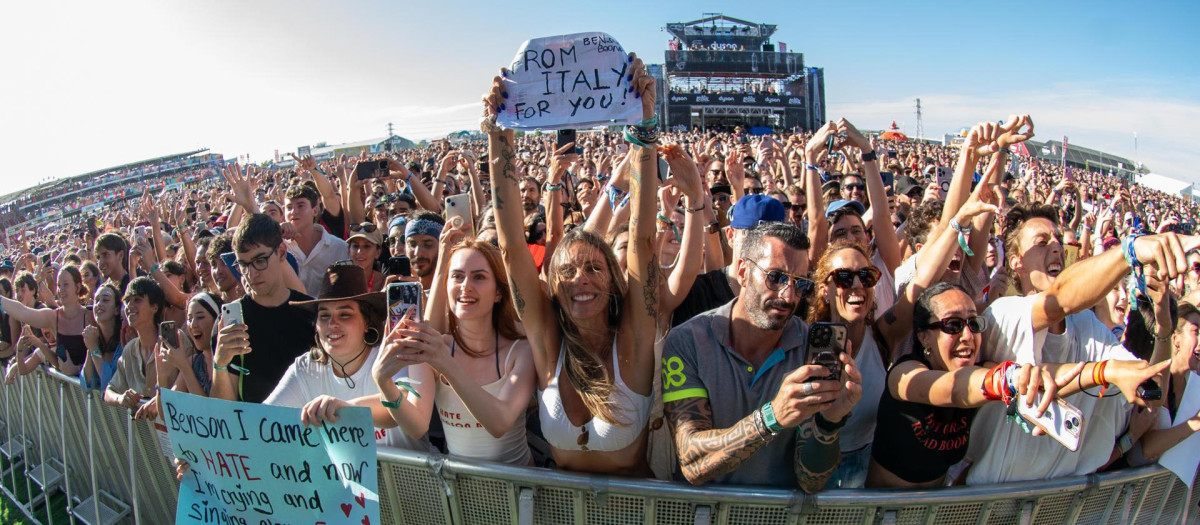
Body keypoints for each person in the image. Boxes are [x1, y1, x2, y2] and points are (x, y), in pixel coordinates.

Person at [485, 54, 659, 475]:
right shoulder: (549, 345)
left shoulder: (633, 340)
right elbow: (510, 248)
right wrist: (498, 134)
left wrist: (644, 127)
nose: (580, 278)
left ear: (615, 282)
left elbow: (642, 238)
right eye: (567, 271)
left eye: (595, 269)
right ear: (553, 286)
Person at [965, 206, 1198, 484]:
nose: (1056, 248)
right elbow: (1060, 298)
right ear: (1016, 262)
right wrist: (1131, 250)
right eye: (1041, 243)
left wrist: (1163, 324)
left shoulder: (1088, 327)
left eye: (1058, 242)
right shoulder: (1004, 313)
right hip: (991, 499)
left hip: (1062, 504)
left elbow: (1153, 392)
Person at [868, 282, 1166, 488]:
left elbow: (1043, 375)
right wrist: (1009, 378)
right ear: (923, 337)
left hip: (933, 510)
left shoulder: (981, 370)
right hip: (881, 514)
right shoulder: (905, 374)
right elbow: (954, 389)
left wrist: (1106, 371)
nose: (967, 335)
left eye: (974, 324)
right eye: (952, 325)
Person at [663, 222, 862, 490]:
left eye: (800, 283)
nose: (788, 296)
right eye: (776, 277)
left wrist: (829, 422)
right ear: (743, 272)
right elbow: (692, 462)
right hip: (704, 512)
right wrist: (772, 417)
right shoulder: (688, 341)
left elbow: (811, 482)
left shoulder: (808, 349)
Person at [376, 229, 536, 464]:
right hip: (461, 491)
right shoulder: (435, 350)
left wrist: (445, 363)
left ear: (499, 293)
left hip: (518, 490)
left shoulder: (520, 350)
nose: (465, 286)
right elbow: (416, 426)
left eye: (479, 277)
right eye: (457, 276)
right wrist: (384, 384)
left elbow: (499, 422)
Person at [268, 263, 426, 451]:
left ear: (367, 321)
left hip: (407, 478)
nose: (332, 324)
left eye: (344, 315)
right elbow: (266, 418)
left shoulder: (394, 354)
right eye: (324, 315)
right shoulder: (305, 367)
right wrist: (222, 366)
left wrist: (345, 408)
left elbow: (403, 405)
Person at [212, 213, 316, 403]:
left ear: (282, 253)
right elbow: (223, 411)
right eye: (243, 265)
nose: (252, 273)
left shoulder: (311, 312)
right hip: (255, 429)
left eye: (260, 260)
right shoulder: (232, 322)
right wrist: (220, 365)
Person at [0, 264, 92, 376]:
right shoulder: (53, 317)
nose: (61, 289)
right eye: (59, 285)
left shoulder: (89, 316)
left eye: (66, 284)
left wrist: (77, 370)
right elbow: (23, 312)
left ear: (78, 287)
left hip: (89, 389)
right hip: (65, 390)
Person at [104, 277, 164, 409]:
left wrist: (160, 401)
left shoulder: (173, 341)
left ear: (154, 307)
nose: (129, 306)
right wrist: (121, 398)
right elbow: (109, 391)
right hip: (141, 429)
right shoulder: (129, 349)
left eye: (137, 300)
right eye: (127, 301)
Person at [283, 183, 349, 294]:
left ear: (315, 211)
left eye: (300, 205)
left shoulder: (339, 247)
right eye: (289, 207)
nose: (293, 211)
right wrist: (275, 234)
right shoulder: (278, 246)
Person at [81, 282, 124, 390]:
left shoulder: (124, 341)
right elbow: (86, 383)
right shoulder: (94, 339)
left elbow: (110, 385)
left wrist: (94, 349)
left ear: (117, 309)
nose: (99, 304)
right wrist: (91, 348)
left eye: (105, 300)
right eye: (96, 300)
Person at [404, 210, 445, 291]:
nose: (418, 253)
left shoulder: (453, 291)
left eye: (428, 245)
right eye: (412, 244)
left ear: (442, 247)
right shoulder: (399, 291)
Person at [346, 222, 385, 292]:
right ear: (349, 250)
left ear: (378, 252)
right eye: (355, 246)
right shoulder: (339, 282)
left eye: (367, 246)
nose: (359, 251)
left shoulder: (386, 284)